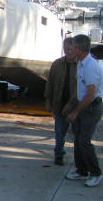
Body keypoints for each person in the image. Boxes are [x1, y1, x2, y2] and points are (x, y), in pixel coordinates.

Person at [65, 34, 102, 187]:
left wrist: (75, 112)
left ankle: (95, 173)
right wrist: (71, 105)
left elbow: (90, 94)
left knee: (84, 141)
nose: (69, 50)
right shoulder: (80, 63)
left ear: (79, 49)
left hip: (91, 107)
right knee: (78, 139)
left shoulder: (90, 66)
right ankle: (81, 171)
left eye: (72, 48)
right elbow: (80, 90)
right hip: (83, 105)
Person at [44, 37, 77, 165]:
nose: (68, 51)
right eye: (66, 48)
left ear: (75, 49)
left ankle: (79, 158)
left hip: (75, 107)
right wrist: (48, 100)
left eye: (71, 48)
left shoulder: (81, 65)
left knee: (78, 135)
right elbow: (50, 83)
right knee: (59, 134)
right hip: (59, 104)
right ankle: (58, 155)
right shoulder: (57, 64)